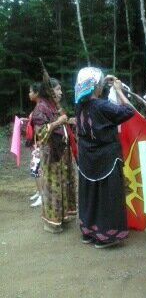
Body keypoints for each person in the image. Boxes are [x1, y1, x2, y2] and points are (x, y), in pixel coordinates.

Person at [75, 67, 135, 249]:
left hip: (87, 158)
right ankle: (105, 236)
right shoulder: (102, 106)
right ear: (96, 86)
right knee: (107, 196)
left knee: (91, 194)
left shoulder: (79, 105)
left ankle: (89, 231)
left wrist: (104, 83)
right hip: (106, 157)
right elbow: (129, 111)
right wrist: (118, 90)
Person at [31, 78, 77, 233]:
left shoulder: (54, 106)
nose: (61, 92)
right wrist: (59, 122)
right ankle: (51, 222)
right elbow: (41, 133)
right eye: (58, 89)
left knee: (64, 183)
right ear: (50, 91)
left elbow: (61, 123)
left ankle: (62, 216)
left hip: (62, 151)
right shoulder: (40, 108)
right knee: (53, 187)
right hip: (51, 154)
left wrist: (70, 121)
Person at [20, 83, 44, 207]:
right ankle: (38, 191)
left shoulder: (40, 107)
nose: (29, 94)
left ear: (37, 93)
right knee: (35, 168)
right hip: (36, 143)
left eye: (30, 91)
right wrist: (27, 120)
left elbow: (42, 127)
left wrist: (39, 143)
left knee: (37, 169)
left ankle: (42, 195)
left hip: (39, 144)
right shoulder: (38, 106)